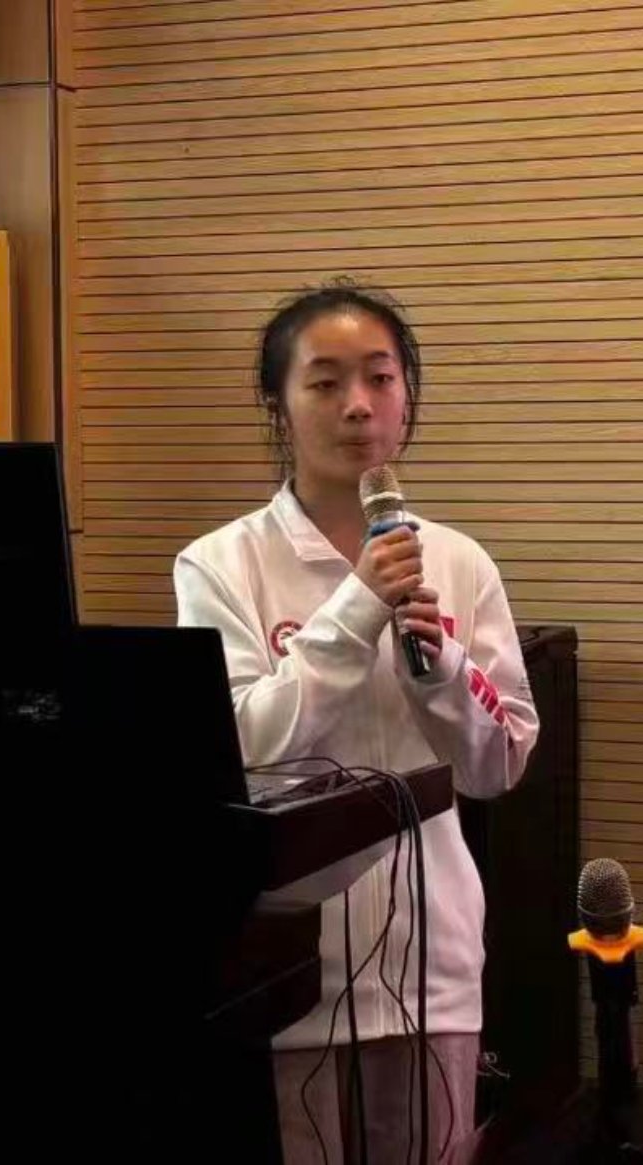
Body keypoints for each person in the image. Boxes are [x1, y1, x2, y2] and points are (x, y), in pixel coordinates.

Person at [174, 281, 540, 1164]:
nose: (357, 405)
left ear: (406, 396)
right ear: (279, 404)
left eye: (379, 377)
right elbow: (242, 747)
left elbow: (498, 765)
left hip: (429, 961)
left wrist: (441, 667)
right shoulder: (220, 564)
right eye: (324, 381)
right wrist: (353, 610)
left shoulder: (459, 561)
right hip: (286, 966)